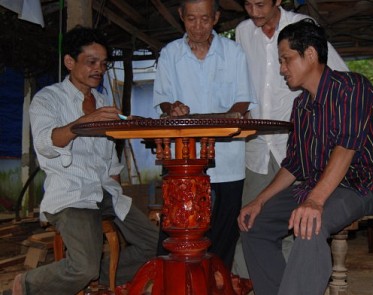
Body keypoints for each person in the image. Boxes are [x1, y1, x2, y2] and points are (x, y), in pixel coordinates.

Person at [238, 19, 373, 295]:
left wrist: (314, 200)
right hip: (319, 185)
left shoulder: (352, 87)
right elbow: (295, 165)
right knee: (255, 224)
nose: (281, 69)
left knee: (311, 222)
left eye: (286, 59)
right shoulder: (301, 106)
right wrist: (259, 200)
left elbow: (346, 148)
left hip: (363, 184)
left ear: (310, 54)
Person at [12, 26, 159, 295]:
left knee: (157, 245)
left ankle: (101, 275)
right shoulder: (48, 99)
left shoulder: (103, 100)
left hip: (106, 192)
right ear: (70, 62)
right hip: (72, 193)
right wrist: (83, 122)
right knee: (83, 267)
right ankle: (28, 284)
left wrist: (117, 183)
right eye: (91, 62)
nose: (99, 69)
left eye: (103, 64)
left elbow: (109, 156)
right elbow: (46, 143)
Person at [232, 0, 349, 278]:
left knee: (293, 229)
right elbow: (243, 83)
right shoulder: (242, 32)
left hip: (298, 147)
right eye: (247, 4)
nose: (254, 12)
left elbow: (339, 78)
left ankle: (289, 285)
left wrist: (323, 124)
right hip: (258, 148)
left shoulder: (303, 29)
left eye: (260, 4)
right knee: (250, 221)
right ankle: (255, 285)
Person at [152, 0, 256, 269]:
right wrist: (172, 107)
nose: (198, 27)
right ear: (181, 17)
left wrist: (228, 117)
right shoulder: (170, 54)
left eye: (205, 19)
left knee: (224, 230)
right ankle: (178, 279)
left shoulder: (233, 53)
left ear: (217, 18)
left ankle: (216, 280)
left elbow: (243, 100)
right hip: (184, 159)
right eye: (191, 19)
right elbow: (163, 98)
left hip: (228, 158)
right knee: (179, 225)